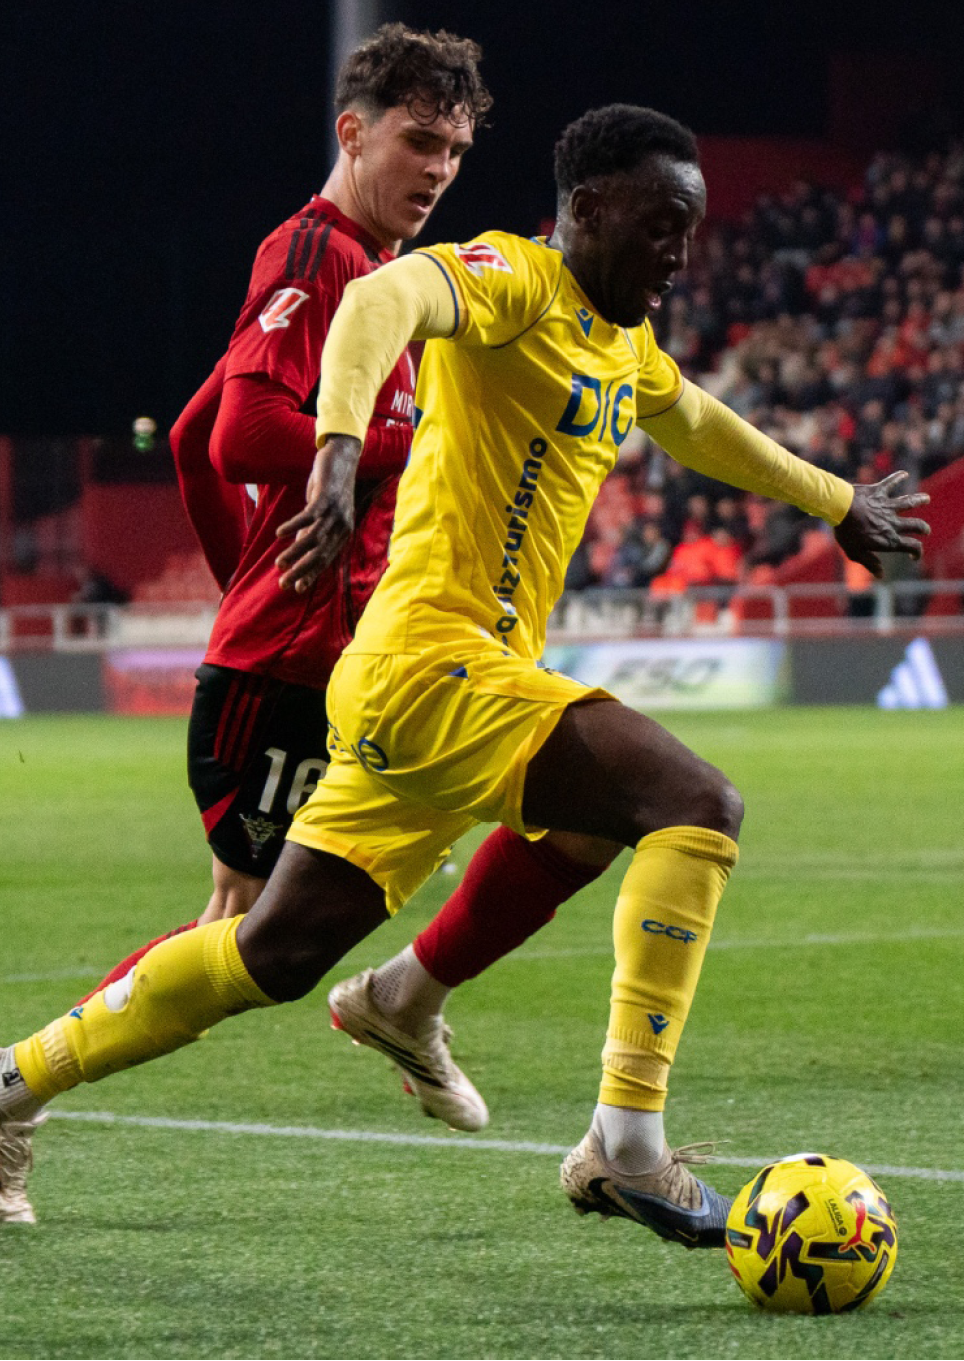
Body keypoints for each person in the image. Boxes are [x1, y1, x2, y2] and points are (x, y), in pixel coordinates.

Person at [0, 105, 929, 1249]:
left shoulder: (617, 343)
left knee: (274, 951)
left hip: (427, 681)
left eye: (688, 231)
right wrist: (337, 448)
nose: (677, 253)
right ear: (586, 210)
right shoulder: (516, 280)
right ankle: (624, 1139)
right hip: (432, 660)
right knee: (694, 805)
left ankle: (19, 1080)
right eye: (658, 226)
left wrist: (835, 500)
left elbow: (695, 419)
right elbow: (377, 301)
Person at [0, 25, 622, 1227]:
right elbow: (237, 437)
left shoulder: (387, 276)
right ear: (354, 130)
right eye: (416, 139)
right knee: (246, 939)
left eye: (454, 147)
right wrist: (387, 466)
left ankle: (411, 996)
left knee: (529, 814)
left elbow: (192, 436)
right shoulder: (315, 254)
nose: (437, 168)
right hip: (285, 671)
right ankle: (18, 1098)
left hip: (332, 650)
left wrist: (250, 572)